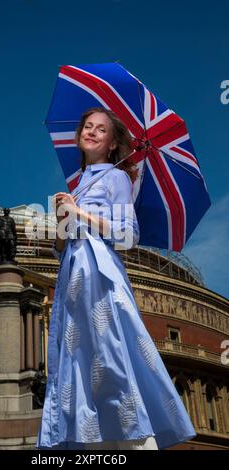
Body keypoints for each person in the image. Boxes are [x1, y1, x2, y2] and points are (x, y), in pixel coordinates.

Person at [36, 107, 196, 450]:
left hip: (99, 274)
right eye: (88, 127)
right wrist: (62, 217)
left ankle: (136, 437)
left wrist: (78, 214)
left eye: (101, 129)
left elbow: (127, 235)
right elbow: (61, 247)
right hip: (72, 278)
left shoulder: (117, 178)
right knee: (75, 361)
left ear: (111, 144)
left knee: (108, 353)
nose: (92, 132)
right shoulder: (77, 185)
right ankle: (90, 440)